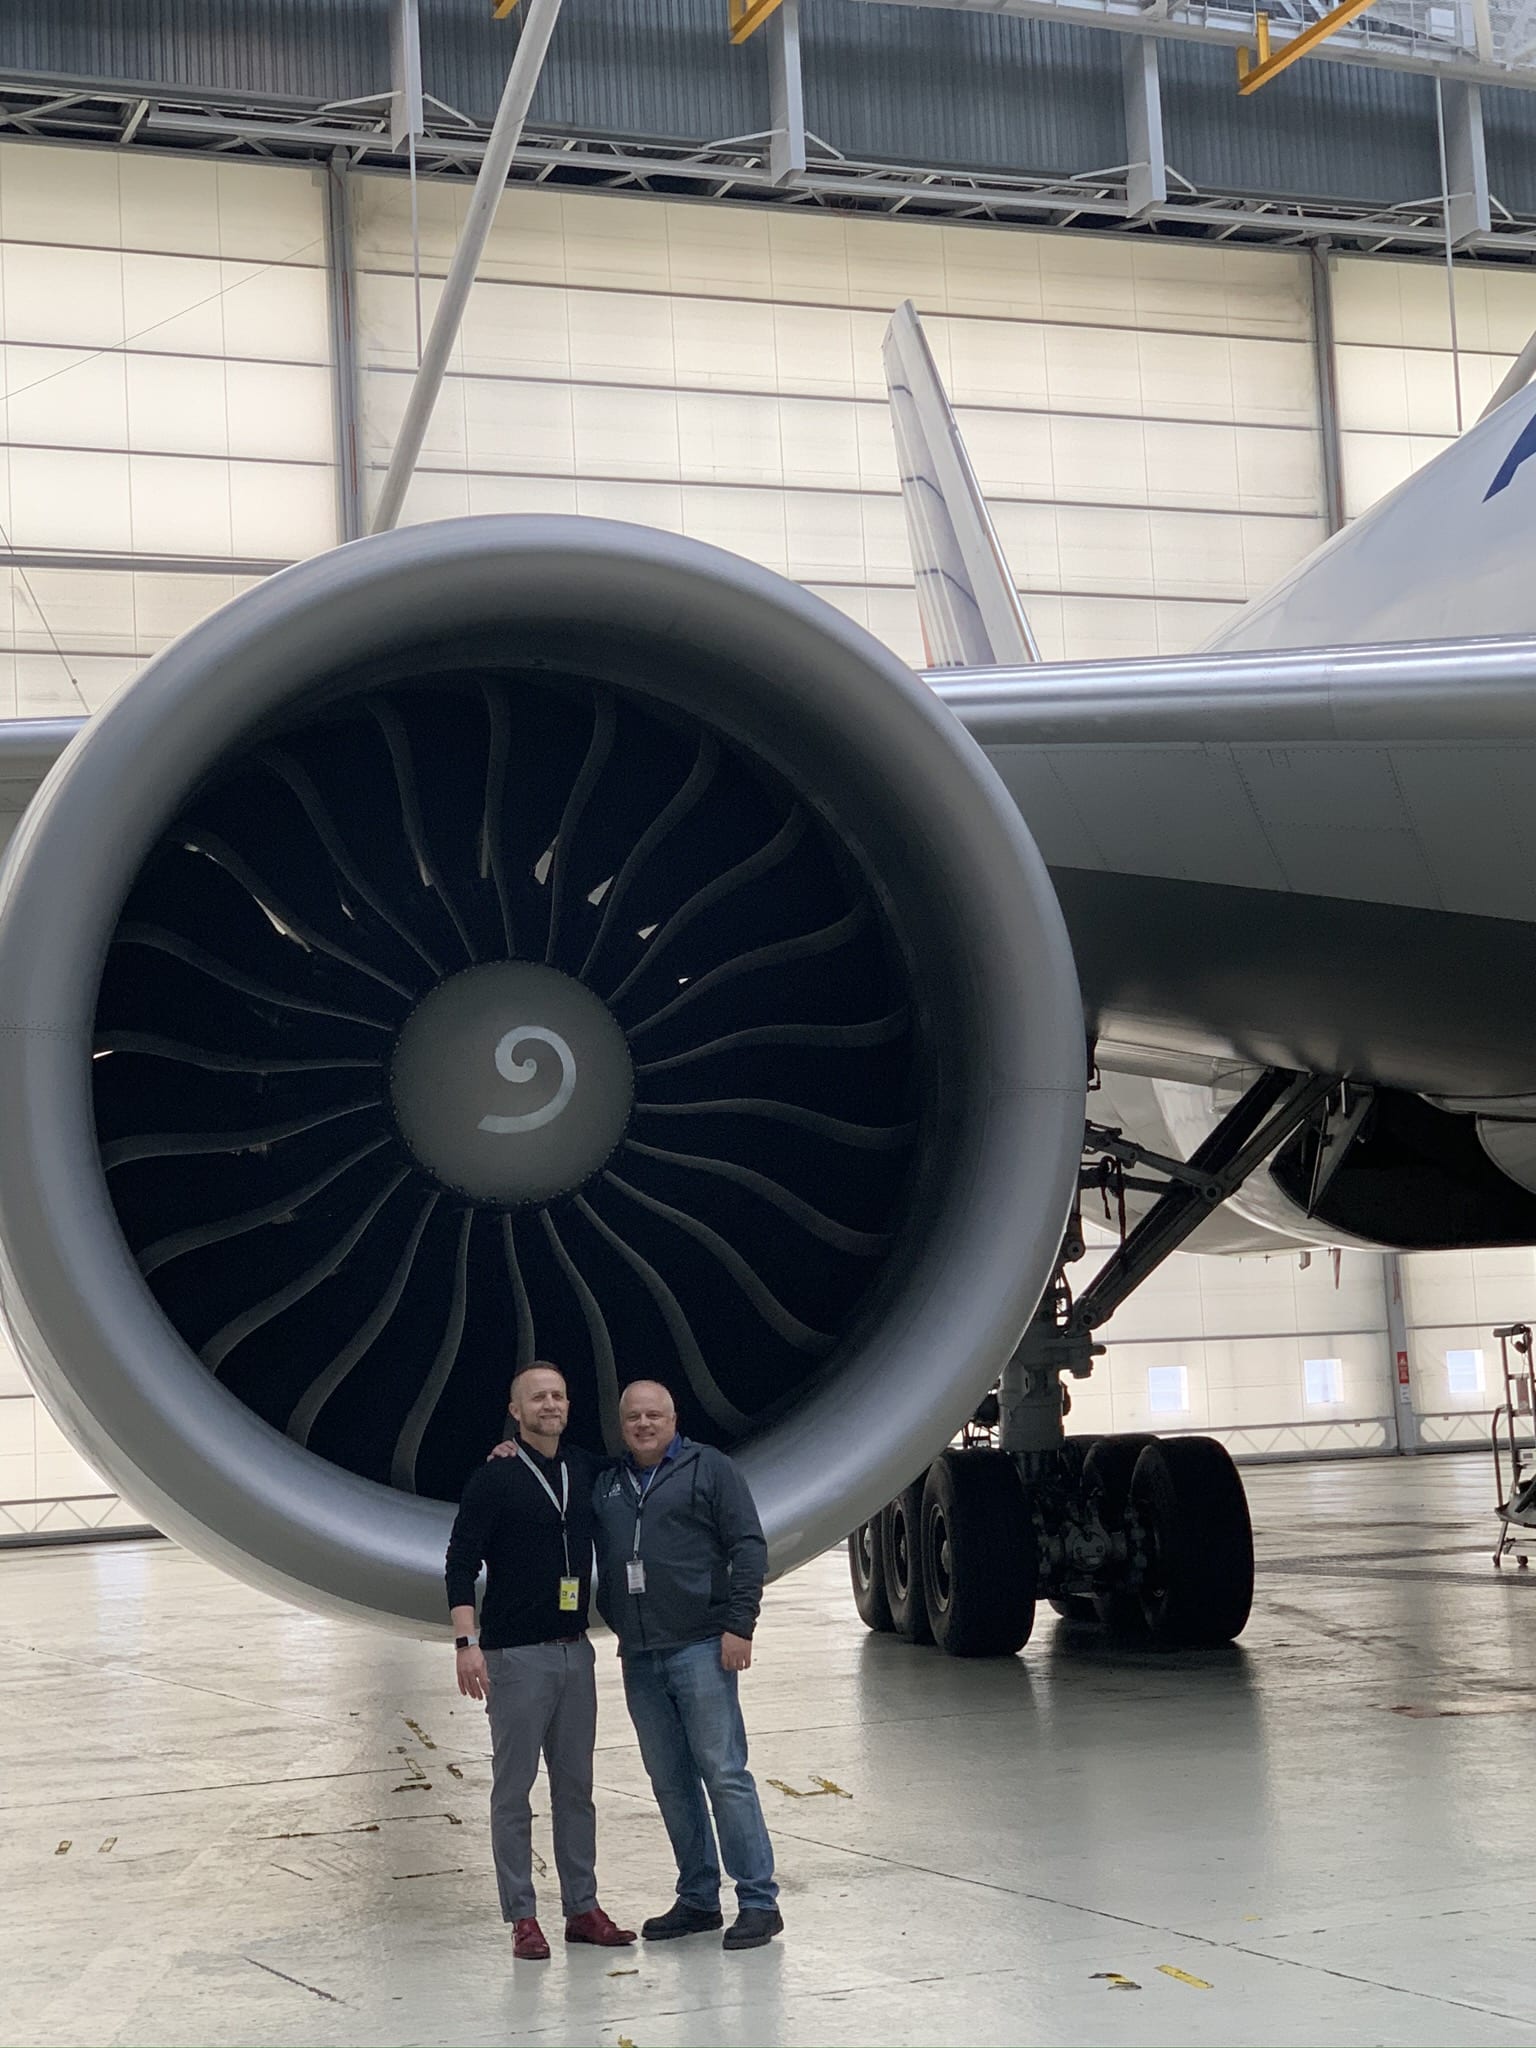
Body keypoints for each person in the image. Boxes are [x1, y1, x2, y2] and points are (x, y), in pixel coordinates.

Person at [445, 1361, 634, 1962]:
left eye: (558, 1395)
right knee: (514, 1791)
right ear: (516, 1410)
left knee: (576, 1790)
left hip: (575, 1652)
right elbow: (460, 1562)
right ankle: (522, 1917)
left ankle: (583, 1907)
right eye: (537, 1398)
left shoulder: (583, 1468)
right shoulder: (494, 1477)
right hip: (514, 1657)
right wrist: (465, 1644)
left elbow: (643, 1458)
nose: (550, 1405)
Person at [594, 1379, 782, 1952]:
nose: (644, 1424)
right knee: (671, 1782)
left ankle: (758, 1901)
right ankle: (699, 1899)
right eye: (633, 1417)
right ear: (621, 1424)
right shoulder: (608, 1483)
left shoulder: (711, 1469)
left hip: (702, 1644)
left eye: (654, 1415)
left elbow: (748, 1546)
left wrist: (738, 1624)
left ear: (675, 1420)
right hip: (641, 1654)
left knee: (724, 1774)